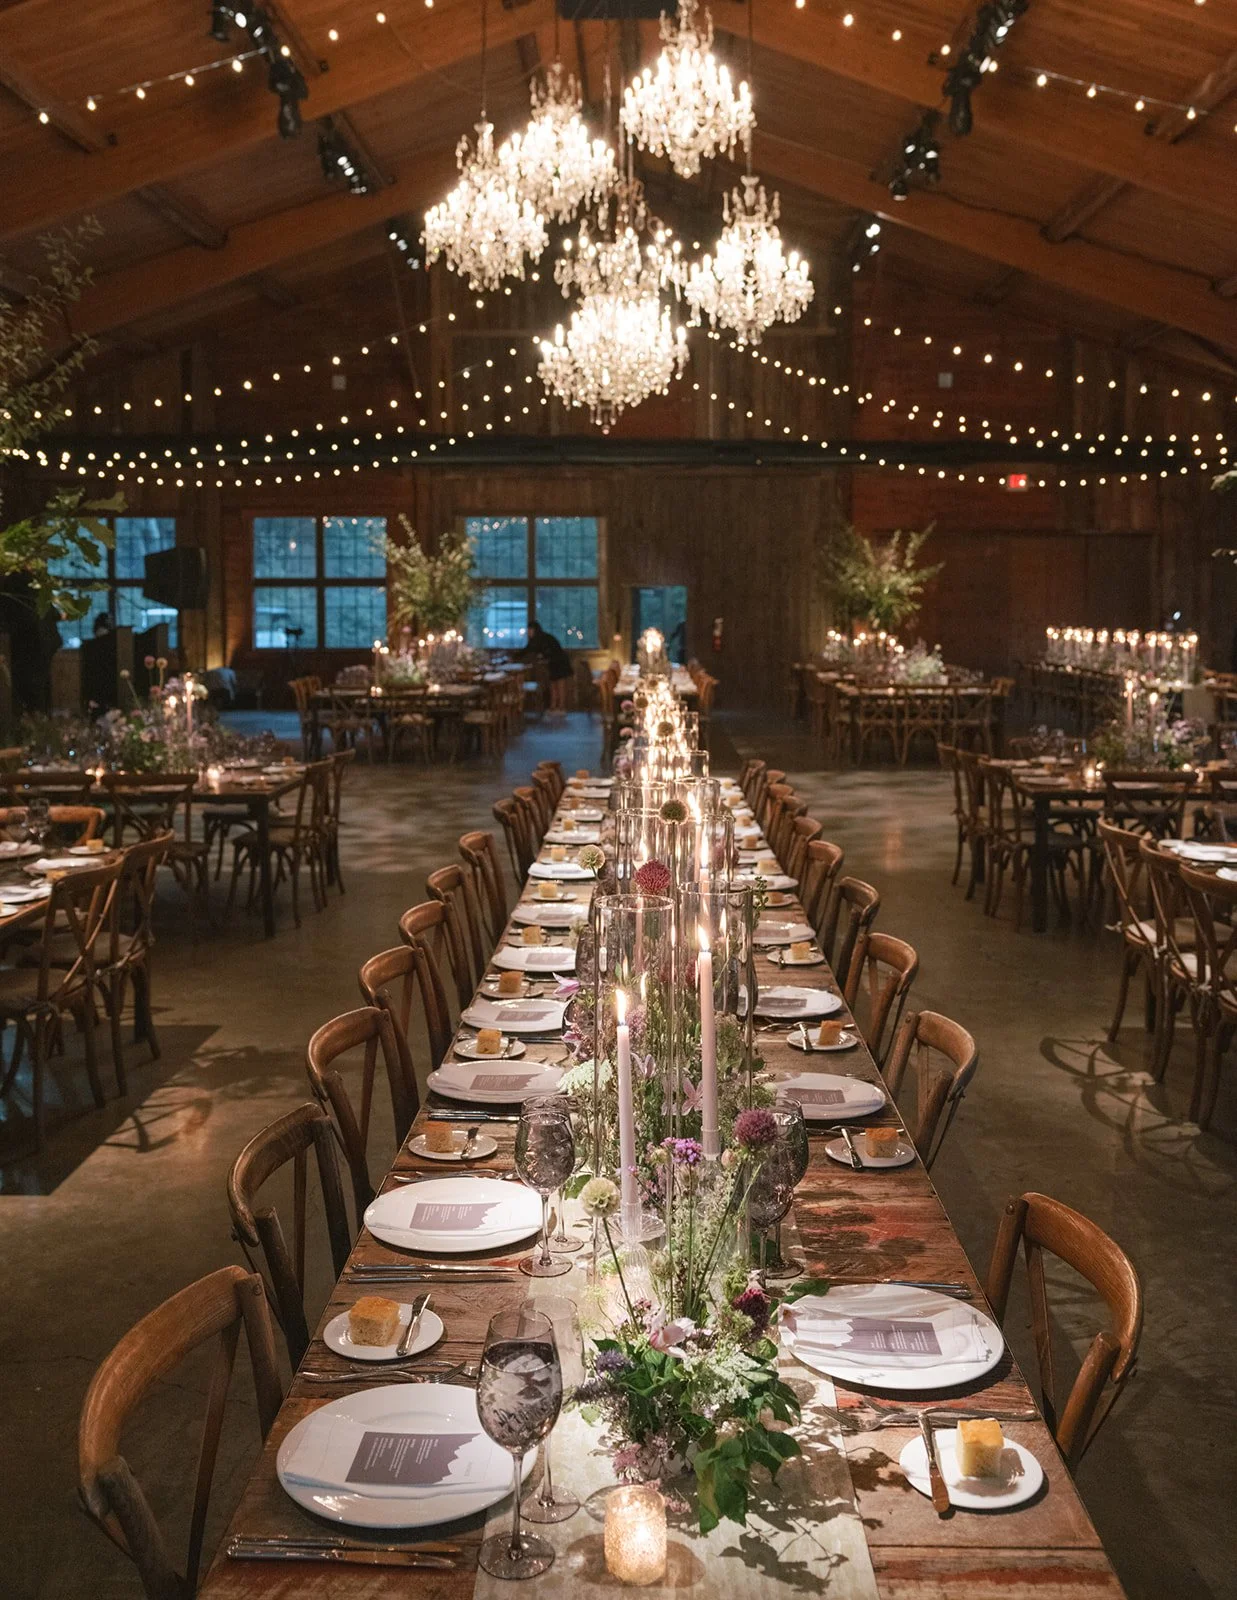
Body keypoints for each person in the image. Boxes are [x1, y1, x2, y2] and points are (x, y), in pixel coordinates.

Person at [524, 619, 573, 713]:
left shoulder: (543, 638)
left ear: (534, 630)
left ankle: (561, 707)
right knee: (553, 685)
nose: (528, 633)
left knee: (559, 685)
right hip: (552, 663)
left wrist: (542, 656)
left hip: (560, 662)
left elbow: (549, 651)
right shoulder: (537, 639)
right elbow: (527, 650)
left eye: (529, 630)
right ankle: (554, 706)